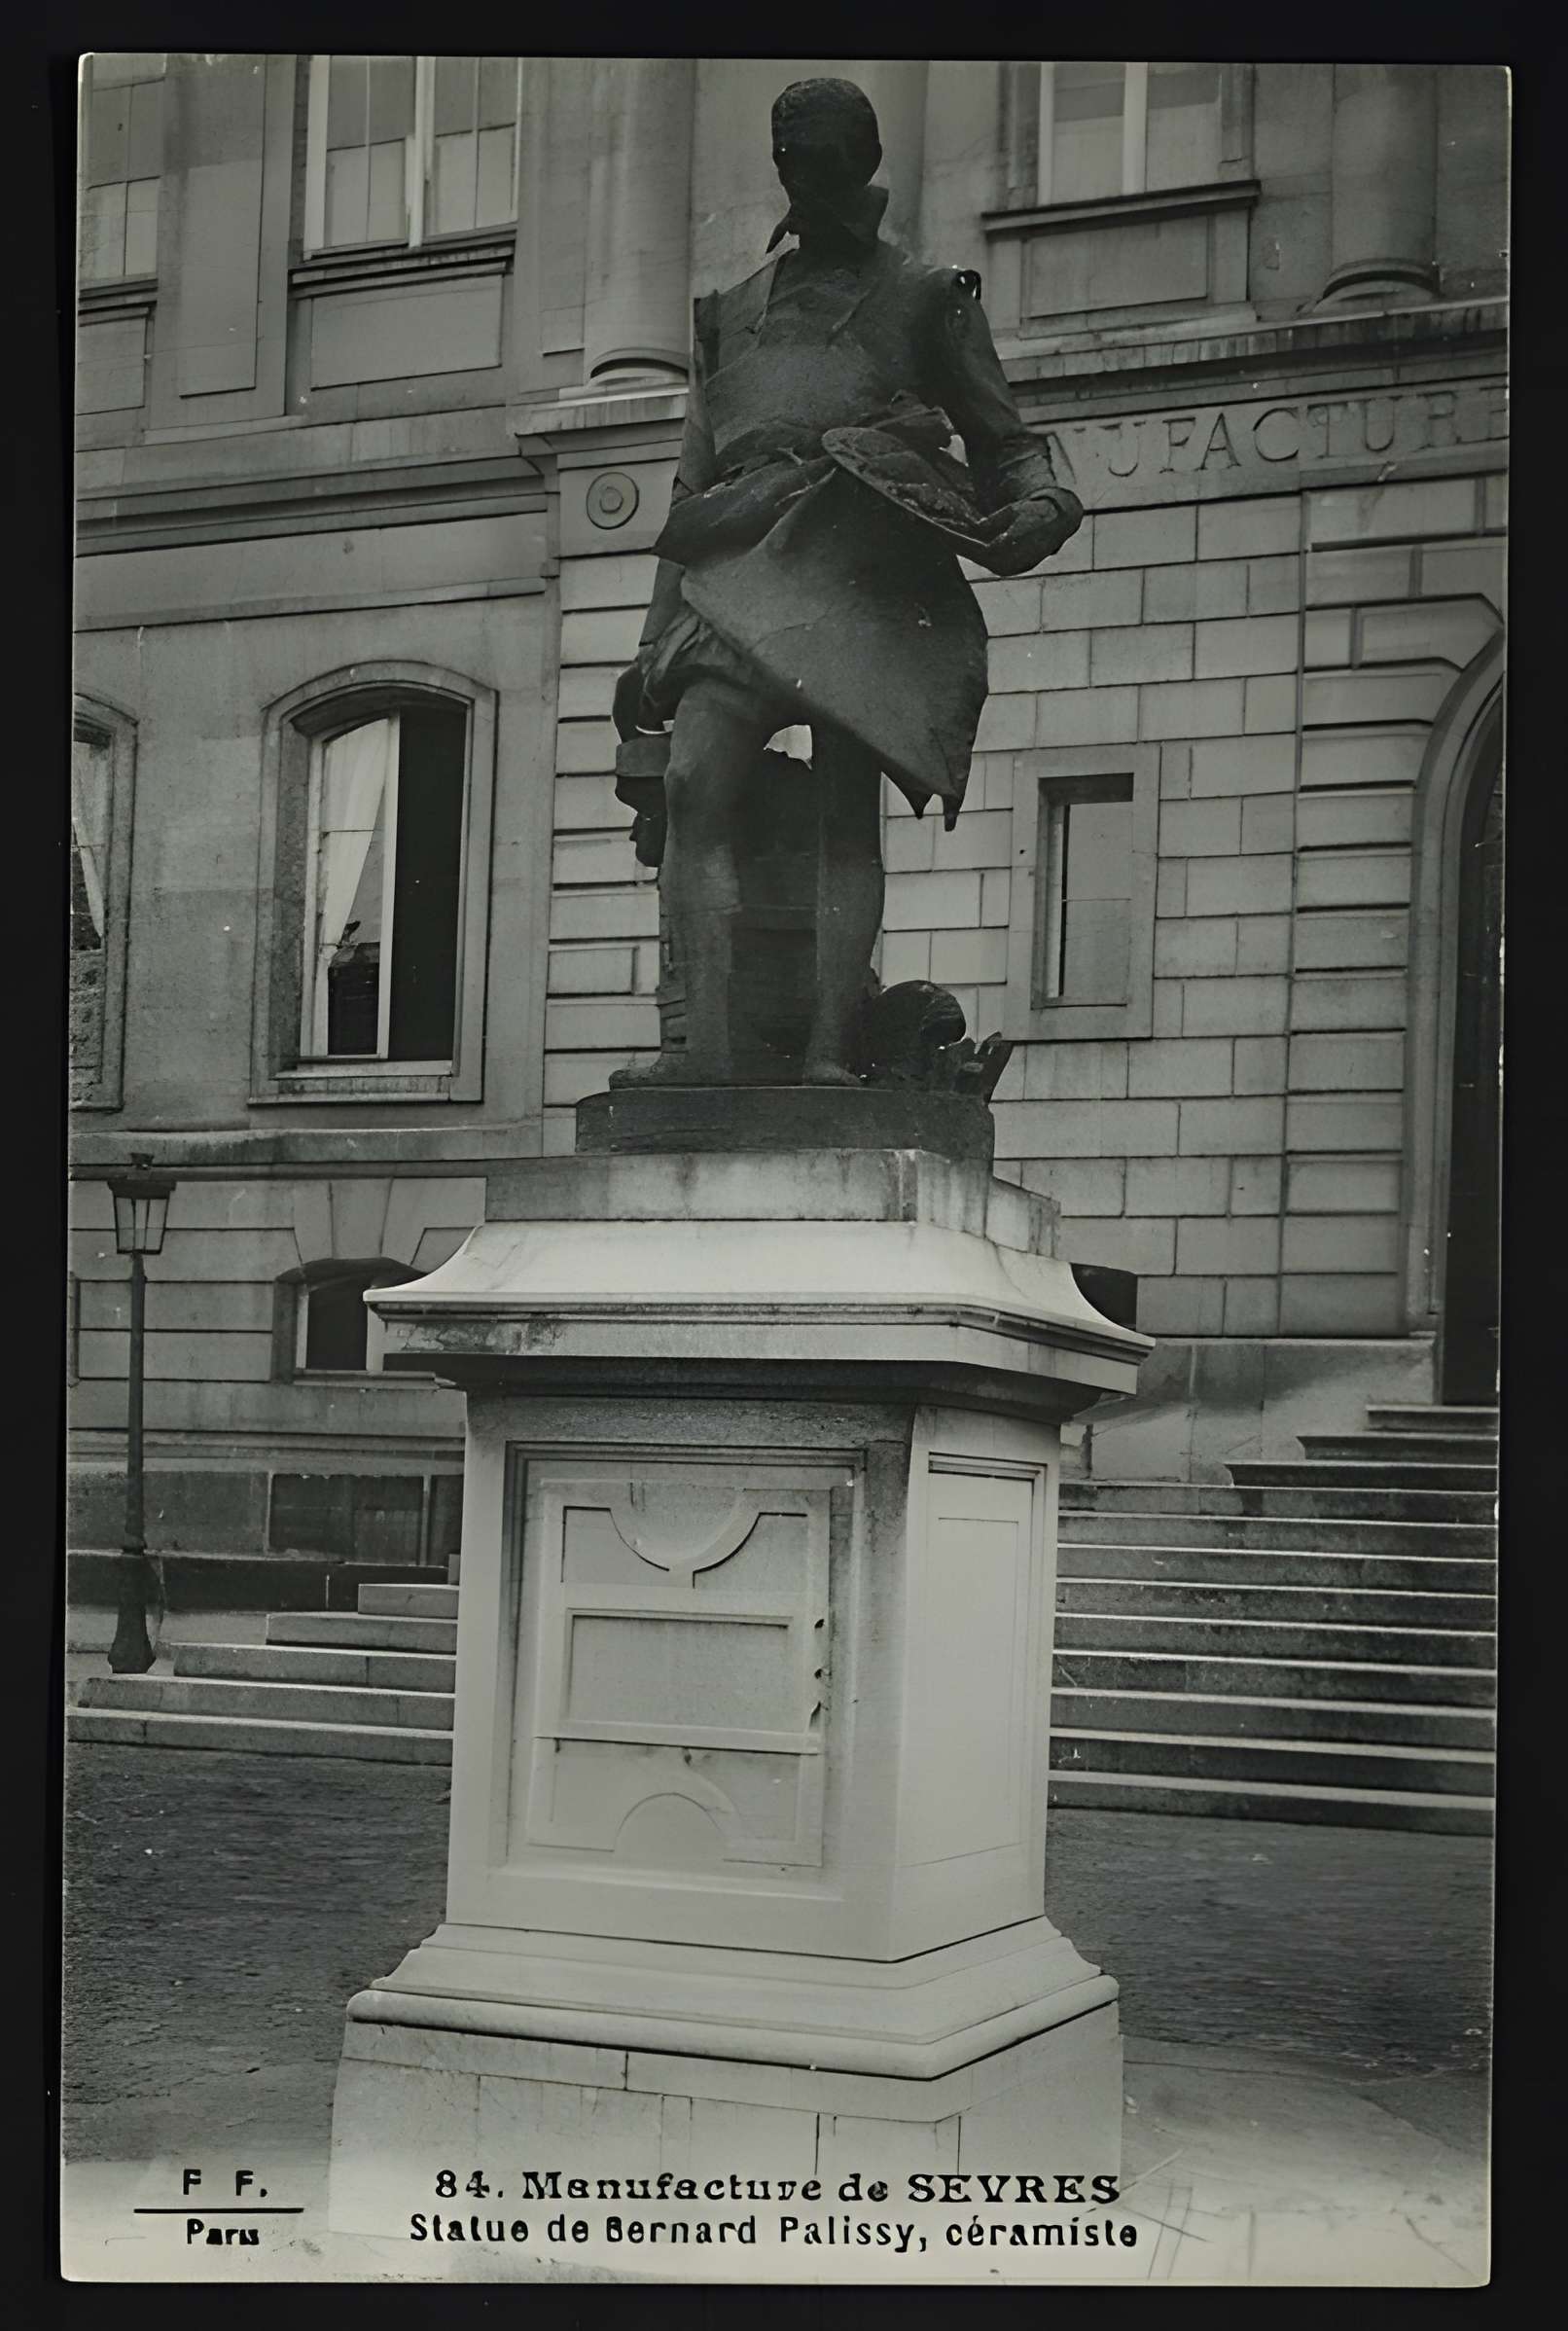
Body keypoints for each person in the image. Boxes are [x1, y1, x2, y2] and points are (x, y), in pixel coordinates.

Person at [613, 76, 1083, 1086]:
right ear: (778, 160)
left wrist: (1044, 505)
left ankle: (829, 1049)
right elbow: (692, 487)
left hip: (861, 580)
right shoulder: (724, 316)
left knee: (842, 812)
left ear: (865, 160)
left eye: (831, 151)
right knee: (696, 781)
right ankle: (696, 1051)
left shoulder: (928, 294)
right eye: (796, 150)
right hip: (735, 573)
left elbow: (1009, 442)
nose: (812, 168)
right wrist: (653, 639)